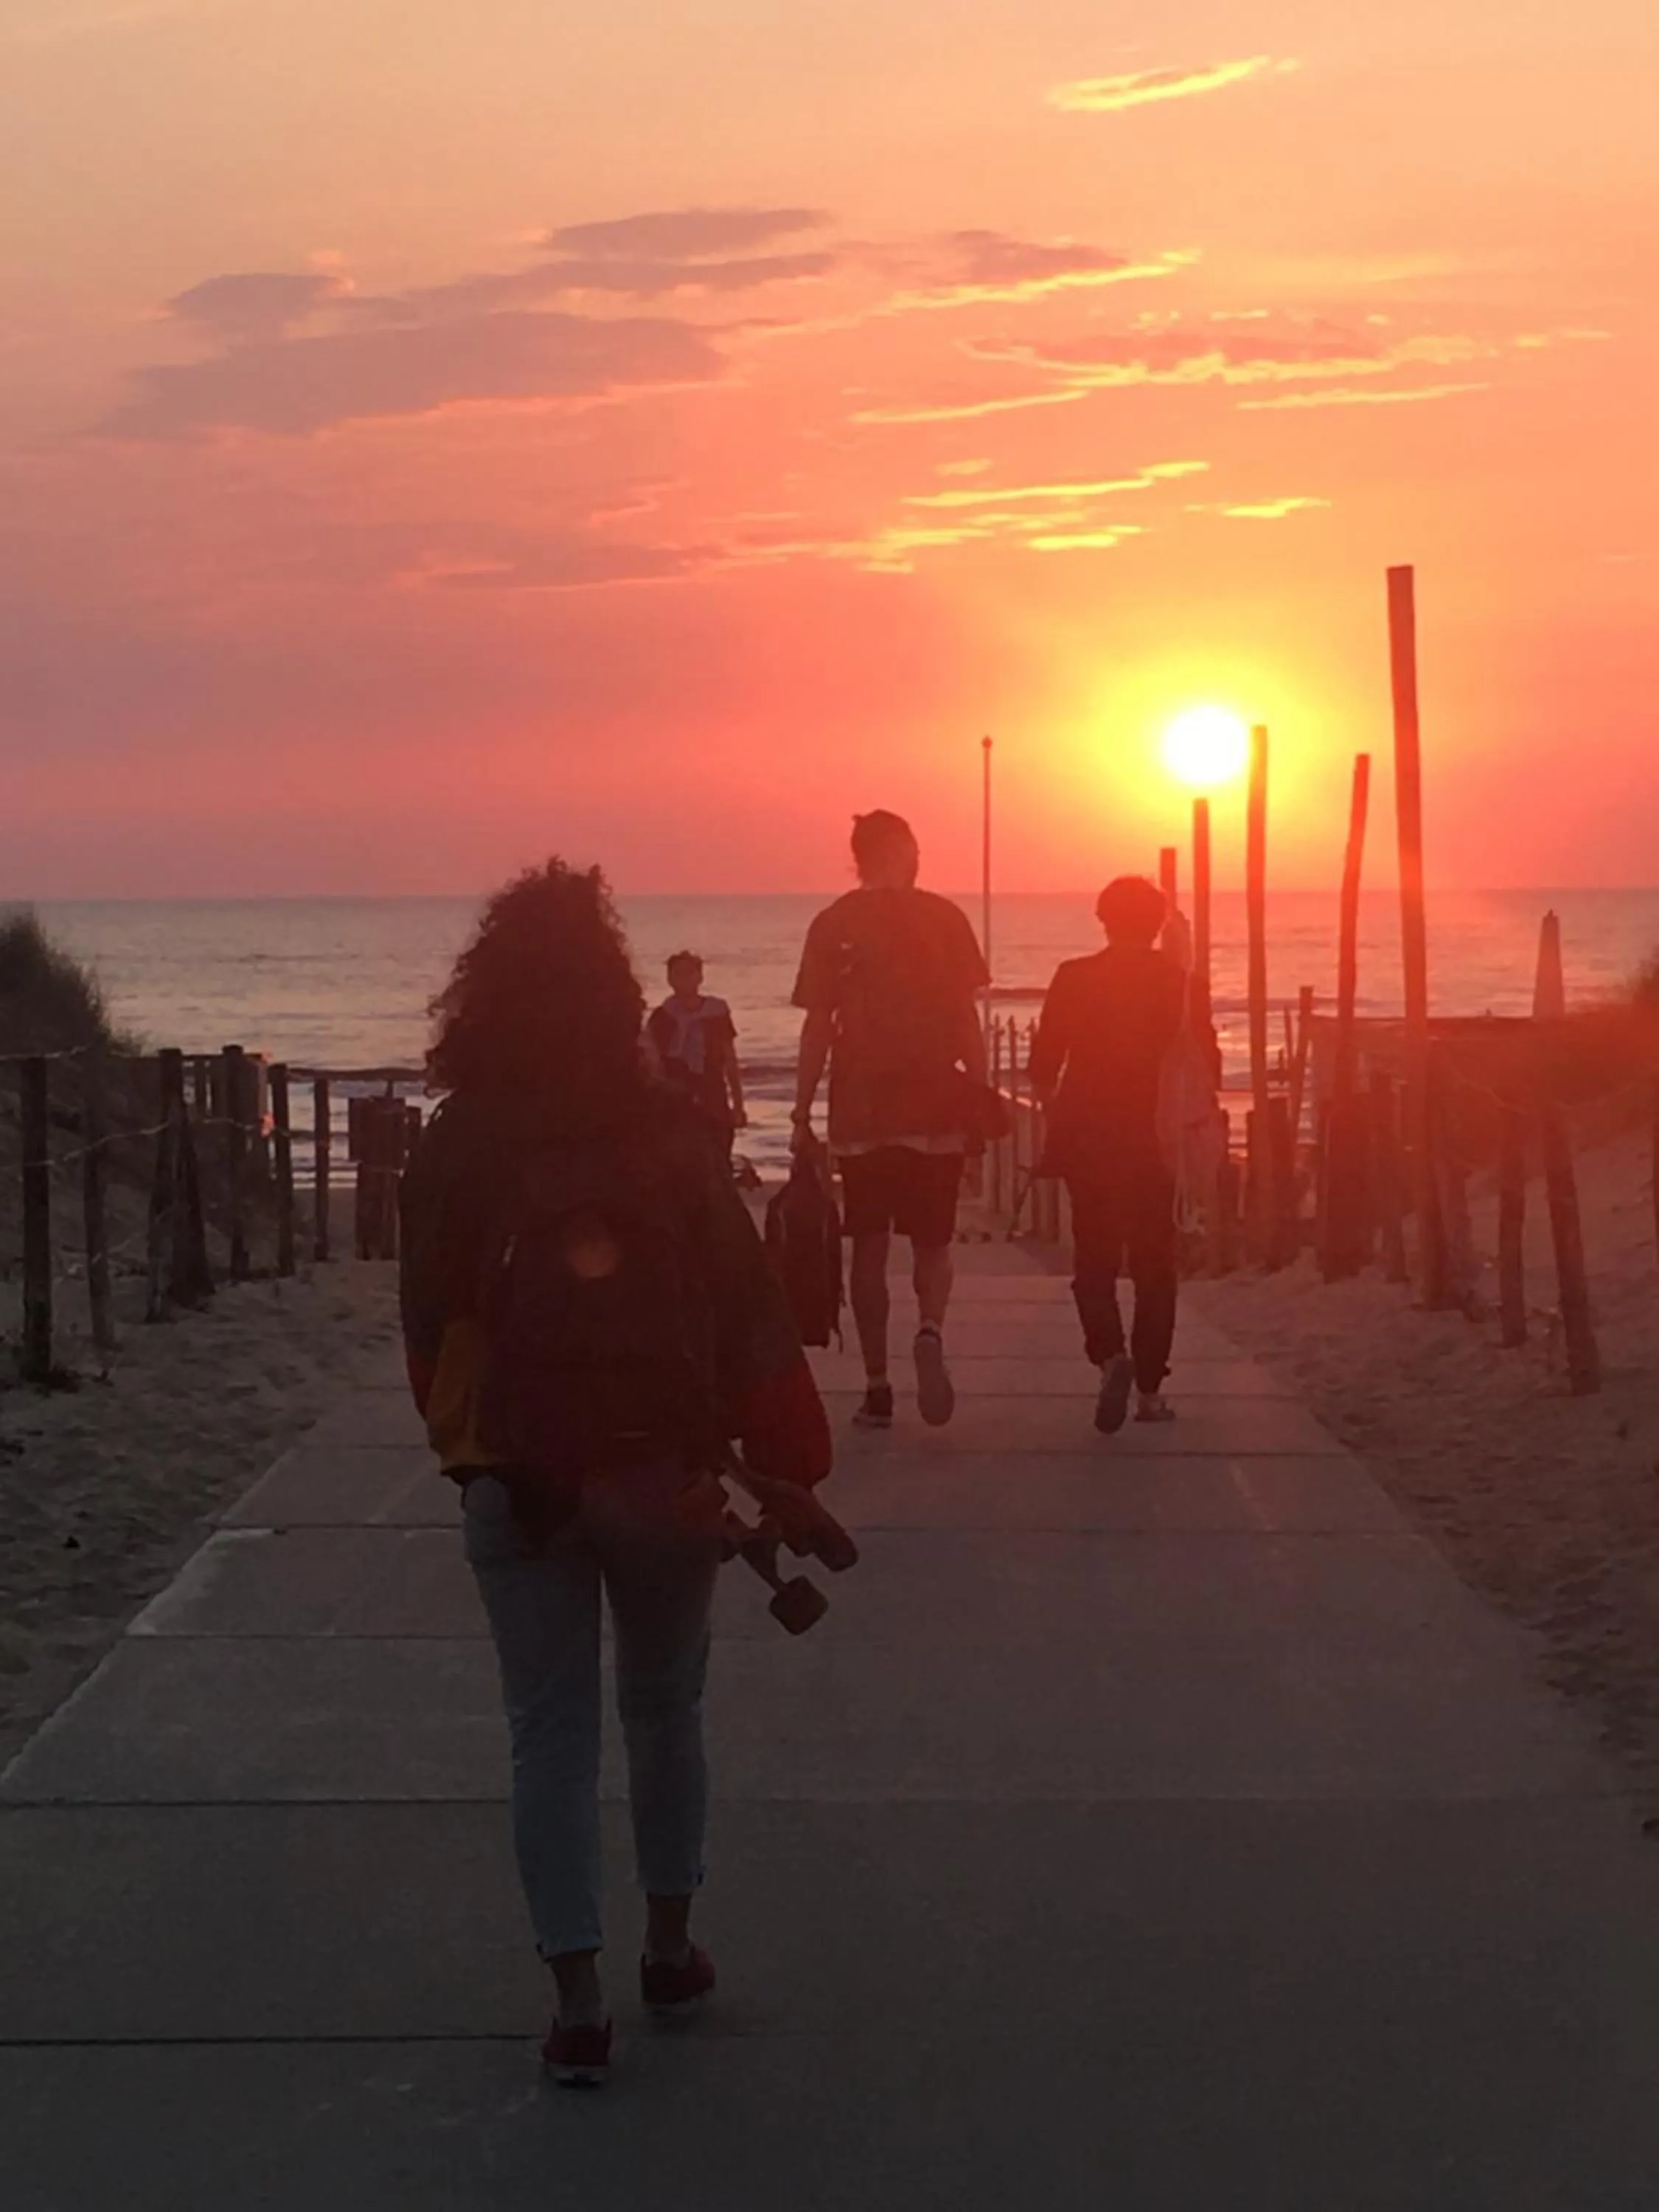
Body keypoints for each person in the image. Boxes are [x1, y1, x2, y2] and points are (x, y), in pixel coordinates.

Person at [400, 861, 831, 2087]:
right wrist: (785, 1457)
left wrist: (469, 1449)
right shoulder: (672, 1139)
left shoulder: (457, 1148)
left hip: (515, 1471)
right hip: (665, 1474)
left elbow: (426, 1318)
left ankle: (576, 2001)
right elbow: (752, 1312)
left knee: (547, 1732)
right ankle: (673, 1949)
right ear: (615, 997)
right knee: (664, 1708)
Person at [790, 810, 990, 1430]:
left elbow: (818, 1026)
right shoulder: (946, 918)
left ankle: (877, 1386)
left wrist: (801, 1111)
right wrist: (980, 1095)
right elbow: (966, 1019)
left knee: (868, 1251)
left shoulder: (832, 924)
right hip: (934, 1106)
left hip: (861, 1111)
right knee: (933, 1244)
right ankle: (930, 1327)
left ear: (858, 857)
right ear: (903, 851)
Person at [1029, 876, 1187, 1434]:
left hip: (1085, 1134)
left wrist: (1055, 1113)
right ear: (1157, 924)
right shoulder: (1171, 980)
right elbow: (1183, 1058)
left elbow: (1043, 1066)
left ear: (1102, 919)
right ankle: (1148, 1390)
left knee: (1093, 1259)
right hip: (1145, 1134)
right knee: (1154, 1266)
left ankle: (1108, 1356)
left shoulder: (1073, 977)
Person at [647, 951, 747, 1155]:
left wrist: (738, 1105)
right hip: (675, 1094)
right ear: (669, 979)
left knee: (719, 1151)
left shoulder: (717, 1012)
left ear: (700, 977)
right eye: (677, 974)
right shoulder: (663, 1016)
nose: (683, 979)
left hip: (712, 1090)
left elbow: (730, 1059)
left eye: (688, 973)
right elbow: (652, 1062)